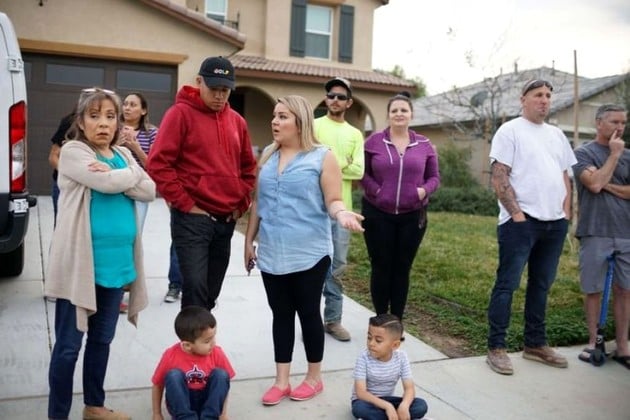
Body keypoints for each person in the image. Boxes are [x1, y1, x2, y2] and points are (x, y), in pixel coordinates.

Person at [244, 95, 364, 406]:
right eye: (274, 116)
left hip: (310, 252)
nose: (275, 121)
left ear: (300, 122)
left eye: (282, 116)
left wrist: (341, 214)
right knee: (280, 315)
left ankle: (314, 378)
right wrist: (248, 241)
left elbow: (333, 199)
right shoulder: (268, 156)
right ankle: (281, 381)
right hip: (272, 251)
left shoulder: (323, 157)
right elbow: (258, 203)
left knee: (308, 313)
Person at [45, 87, 155, 420]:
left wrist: (120, 174)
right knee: (68, 347)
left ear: (119, 121)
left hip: (116, 266)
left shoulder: (121, 154)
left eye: (110, 116)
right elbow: (110, 185)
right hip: (81, 267)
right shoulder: (73, 151)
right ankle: (58, 415)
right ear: (81, 121)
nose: (103, 123)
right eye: (94, 116)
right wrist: (129, 175)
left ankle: (94, 406)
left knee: (102, 339)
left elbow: (150, 189)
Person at [146, 56, 257, 311]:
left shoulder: (237, 122)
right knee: (195, 291)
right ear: (199, 82)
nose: (219, 96)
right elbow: (158, 164)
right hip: (192, 220)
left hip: (226, 221)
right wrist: (186, 204)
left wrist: (240, 205)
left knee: (210, 293)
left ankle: (199, 335)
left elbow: (248, 169)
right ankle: (193, 335)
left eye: (225, 90)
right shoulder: (180, 114)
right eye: (214, 88)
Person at [486, 79, 576, 375]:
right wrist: (517, 216)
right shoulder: (510, 131)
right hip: (521, 223)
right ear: (523, 99)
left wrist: (565, 213)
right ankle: (496, 347)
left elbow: (565, 176)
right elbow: (499, 176)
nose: (544, 100)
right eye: (538, 95)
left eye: (548, 95)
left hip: (554, 224)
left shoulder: (557, 135)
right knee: (507, 284)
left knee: (541, 284)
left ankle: (535, 344)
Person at [360, 92, 440, 321]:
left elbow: (434, 178)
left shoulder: (424, 144)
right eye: (394, 110)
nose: (399, 114)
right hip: (377, 213)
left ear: (411, 114)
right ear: (388, 115)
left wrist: (422, 191)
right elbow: (362, 173)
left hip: (412, 216)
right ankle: (381, 319)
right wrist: (378, 191)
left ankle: (396, 321)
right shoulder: (373, 142)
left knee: (402, 267)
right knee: (380, 266)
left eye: (403, 110)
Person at [573, 104, 630, 369]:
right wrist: (614, 156)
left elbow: (603, 185)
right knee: (593, 289)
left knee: (625, 290)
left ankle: (622, 346)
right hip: (594, 229)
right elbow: (593, 184)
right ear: (598, 123)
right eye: (614, 122)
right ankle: (594, 342)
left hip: (625, 231)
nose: (620, 127)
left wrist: (605, 183)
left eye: (623, 122)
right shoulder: (583, 153)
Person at [314, 77, 365, 342]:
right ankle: (311, 322)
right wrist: (341, 162)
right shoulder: (313, 126)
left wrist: (327, 162)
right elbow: (308, 163)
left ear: (349, 102)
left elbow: (359, 170)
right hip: (312, 209)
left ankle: (333, 320)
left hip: (342, 211)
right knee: (311, 266)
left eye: (341, 97)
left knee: (337, 266)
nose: (335, 100)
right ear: (326, 99)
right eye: (331, 95)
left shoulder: (355, 134)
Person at [151, 306, 234, 420]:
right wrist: (157, 414)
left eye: (213, 337)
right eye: (207, 341)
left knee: (222, 375)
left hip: (207, 401)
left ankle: (210, 417)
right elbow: (157, 384)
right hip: (182, 402)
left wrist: (223, 414)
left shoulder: (216, 352)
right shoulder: (171, 355)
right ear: (187, 345)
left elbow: (223, 387)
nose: (213, 343)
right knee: (173, 375)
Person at [351, 314, 428, 420]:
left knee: (420, 405)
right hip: (367, 401)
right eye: (369, 338)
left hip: (388, 400)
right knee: (359, 409)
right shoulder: (364, 357)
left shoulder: (401, 357)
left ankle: (389, 417)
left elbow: (409, 388)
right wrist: (388, 407)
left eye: (378, 340)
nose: (371, 343)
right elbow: (361, 393)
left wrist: (404, 406)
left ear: (395, 345)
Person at [119, 91, 158, 232]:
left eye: (133, 105)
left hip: (139, 188)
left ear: (143, 110)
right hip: (115, 186)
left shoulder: (152, 133)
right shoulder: (112, 130)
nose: (127, 108)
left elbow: (153, 166)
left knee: (135, 232)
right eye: (125, 104)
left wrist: (136, 148)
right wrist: (116, 144)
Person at [48, 108, 76, 225]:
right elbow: (53, 157)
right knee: (61, 225)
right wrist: (69, 175)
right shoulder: (69, 122)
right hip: (64, 185)